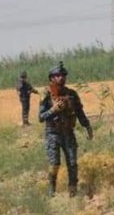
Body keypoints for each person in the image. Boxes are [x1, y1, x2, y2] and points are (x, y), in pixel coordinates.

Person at [38, 61, 93, 197]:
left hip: (68, 132)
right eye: (57, 75)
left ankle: (72, 190)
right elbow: (40, 117)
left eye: (63, 75)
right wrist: (53, 110)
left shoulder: (72, 94)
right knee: (55, 164)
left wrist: (87, 126)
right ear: (51, 78)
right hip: (53, 134)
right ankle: (52, 191)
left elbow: (80, 112)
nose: (61, 78)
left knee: (73, 163)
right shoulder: (46, 94)